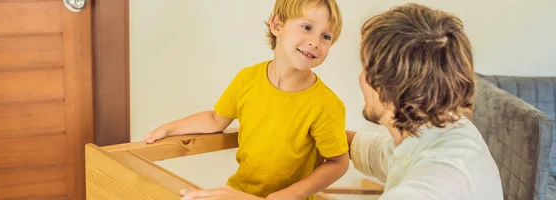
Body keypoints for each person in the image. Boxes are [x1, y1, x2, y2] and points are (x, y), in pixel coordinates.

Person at [178, 3, 504, 200]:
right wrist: (298, 130)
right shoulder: (439, 134)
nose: (360, 78)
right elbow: (378, 152)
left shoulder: (433, 186)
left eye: (366, 68)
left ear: (385, 89)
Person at [141, 0, 350, 199]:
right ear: (277, 25)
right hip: (237, 192)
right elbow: (215, 119)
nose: (315, 42)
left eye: (326, 37)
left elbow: (338, 163)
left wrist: (290, 195)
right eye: (307, 27)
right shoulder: (247, 79)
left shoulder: (326, 105)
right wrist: (169, 129)